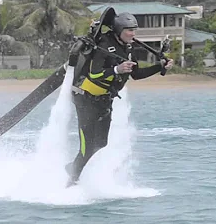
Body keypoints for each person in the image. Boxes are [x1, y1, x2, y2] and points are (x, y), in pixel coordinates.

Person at [65, 12, 174, 186]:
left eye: (134, 30)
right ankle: (71, 182)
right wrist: (117, 70)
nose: (132, 34)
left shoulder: (129, 48)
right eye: (128, 30)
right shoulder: (104, 45)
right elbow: (94, 74)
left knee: (101, 143)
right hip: (85, 100)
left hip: (105, 101)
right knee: (86, 149)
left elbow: (136, 74)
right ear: (118, 30)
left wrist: (159, 66)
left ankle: (73, 168)